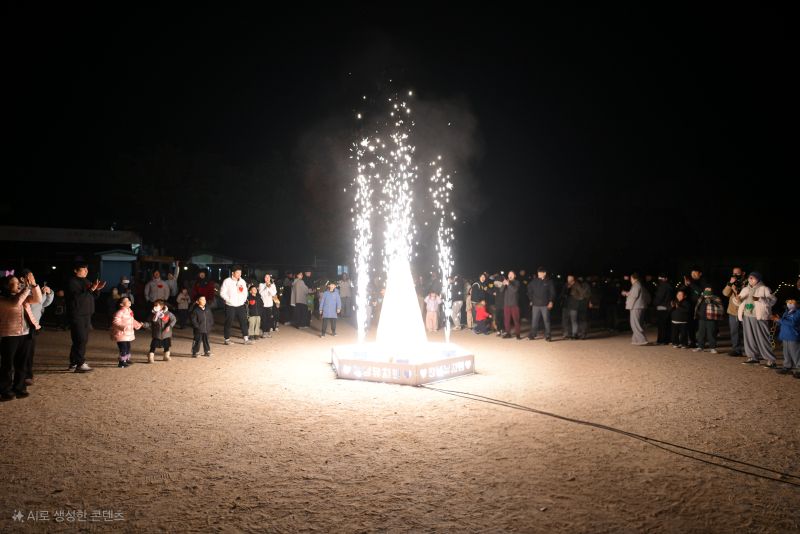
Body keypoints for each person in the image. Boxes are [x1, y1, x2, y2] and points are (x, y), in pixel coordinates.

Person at [0, 271, 42, 400]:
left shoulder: (22, 296)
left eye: (19, 283)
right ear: (6, 286)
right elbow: (15, 303)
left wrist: (34, 285)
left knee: (22, 363)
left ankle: (19, 388)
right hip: (9, 335)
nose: (18, 285)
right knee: (7, 365)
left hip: (25, 333)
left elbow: (38, 299)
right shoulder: (3, 299)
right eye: (15, 283)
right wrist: (27, 288)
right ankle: (5, 390)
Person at [67, 262, 105, 372]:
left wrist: (97, 289)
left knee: (80, 339)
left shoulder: (86, 281)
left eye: (86, 269)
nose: (86, 271)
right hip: (77, 313)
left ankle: (74, 363)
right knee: (80, 338)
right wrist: (91, 289)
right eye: (83, 269)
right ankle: (80, 363)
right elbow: (76, 298)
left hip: (87, 314)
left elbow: (93, 296)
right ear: (75, 270)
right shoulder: (72, 282)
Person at [738, 272, 777, 367]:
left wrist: (760, 299)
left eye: (753, 278)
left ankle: (771, 360)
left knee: (762, 338)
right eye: (749, 278)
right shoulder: (745, 289)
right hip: (747, 315)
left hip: (759, 316)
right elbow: (739, 302)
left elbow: (773, 300)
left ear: (758, 279)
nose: (750, 279)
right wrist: (737, 300)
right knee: (749, 338)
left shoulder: (764, 288)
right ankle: (753, 358)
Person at [25, 280, 54, 385]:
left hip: (33, 326)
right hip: (20, 327)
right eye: (31, 277)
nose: (33, 279)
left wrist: (49, 293)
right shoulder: (23, 291)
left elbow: (43, 303)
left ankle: (27, 375)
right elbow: (36, 302)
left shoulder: (34, 290)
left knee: (29, 352)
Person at [220, 266, 251, 345]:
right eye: (237, 273)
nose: (239, 274)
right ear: (233, 273)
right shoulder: (227, 281)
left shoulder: (242, 281)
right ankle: (227, 339)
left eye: (240, 273)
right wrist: (229, 300)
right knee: (229, 322)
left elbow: (245, 292)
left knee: (243, 321)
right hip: (230, 305)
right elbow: (222, 293)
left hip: (240, 305)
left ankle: (246, 339)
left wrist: (243, 300)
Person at [109, 296, 142, 368]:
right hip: (121, 334)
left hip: (128, 334)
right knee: (123, 348)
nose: (129, 301)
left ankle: (126, 359)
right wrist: (123, 327)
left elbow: (132, 320)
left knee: (128, 347)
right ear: (121, 304)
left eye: (129, 300)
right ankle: (121, 362)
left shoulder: (129, 311)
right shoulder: (119, 312)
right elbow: (115, 322)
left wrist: (137, 324)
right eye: (126, 300)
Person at [722, 267, 746, 356]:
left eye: (737, 273)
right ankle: (736, 350)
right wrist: (730, 284)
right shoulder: (732, 283)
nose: (735, 275)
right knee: (734, 331)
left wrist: (737, 289)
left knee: (747, 332)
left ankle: (750, 351)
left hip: (745, 312)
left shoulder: (747, 282)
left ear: (743, 273)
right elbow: (725, 293)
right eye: (733, 273)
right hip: (733, 311)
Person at [527, 267, 556, 341]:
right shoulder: (534, 281)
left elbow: (552, 292)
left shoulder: (549, 281)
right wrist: (531, 299)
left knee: (546, 321)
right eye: (538, 272)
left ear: (544, 273)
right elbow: (529, 290)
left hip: (545, 305)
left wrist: (551, 301)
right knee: (534, 320)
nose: (539, 274)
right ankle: (533, 334)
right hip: (535, 305)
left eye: (540, 272)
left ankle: (548, 335)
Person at [693, 286, 724, 353]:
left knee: (711, 333)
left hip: (711, 318)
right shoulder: (701, 298)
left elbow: (720, 308)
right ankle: (700, 347)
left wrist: (711, 301)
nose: (707, 291)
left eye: (709, 290)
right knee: (701, 333)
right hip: (702, 318)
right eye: (706, 289)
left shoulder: (715, 298)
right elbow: (697, 306)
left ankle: (713, 348)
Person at [623, 272, 650, 345]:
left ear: (633, 278)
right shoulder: (640, 285)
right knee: (638, 323)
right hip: (640, 306)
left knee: (635, 324)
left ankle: (642, 340)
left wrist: (627, 296)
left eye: (630, 278)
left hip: (636, 306)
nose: (630, 280)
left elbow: (634, 296)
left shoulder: (636, 285)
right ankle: (635, 340)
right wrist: (627, 293)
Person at [774, 299, 800, 376]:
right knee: (786, 353)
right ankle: (787, 367)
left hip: (793, 336)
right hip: (785, 336)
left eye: (792, 302)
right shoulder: (786, 312)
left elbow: (792, 323)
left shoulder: (798, 312)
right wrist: (777, 320)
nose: (789, 304)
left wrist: (779, 320)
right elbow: (783, 323)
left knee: (796, 354)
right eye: (788, 302)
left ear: (797, 304)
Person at [653, 274, 673, 345]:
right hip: (668, 307)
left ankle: (662, 340)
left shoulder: (663, 286)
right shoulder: (669, 286)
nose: (660, 279)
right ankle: (668, 340)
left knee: (662, 325)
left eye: (661, 278)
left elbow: (659, 297)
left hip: (662, 307)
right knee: (667, 325)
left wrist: (654, 303)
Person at [502, 271, 522, 339]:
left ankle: (518, 334)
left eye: (512, 274)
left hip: (514, 304)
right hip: (506, 304)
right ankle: (508, 333)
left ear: (514, 275)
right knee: (506, 320)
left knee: (516, 319)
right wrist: (503, 284)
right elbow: (501, 290)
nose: (510, 275)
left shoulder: (517, 282)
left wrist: (508, 284)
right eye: (509, 274)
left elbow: (515, 290)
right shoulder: (506, 282)